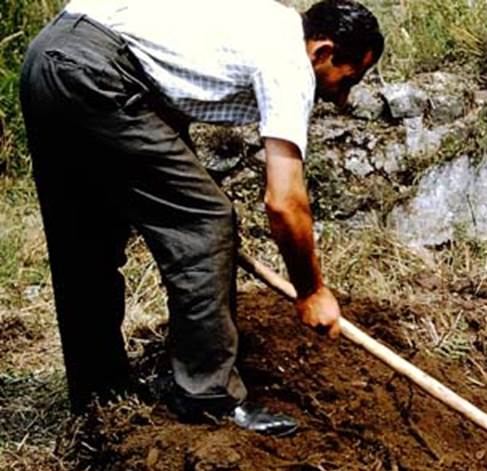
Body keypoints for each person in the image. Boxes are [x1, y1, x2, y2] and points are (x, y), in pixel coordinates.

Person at [19, 0, 384, 435]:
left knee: (85, 240)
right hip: (95, 72)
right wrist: (312, 291)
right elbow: (285, 201)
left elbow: (162, 94)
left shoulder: (263, 22)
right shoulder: (290, 61)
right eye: (350, 79)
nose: (343, 98)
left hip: (50, 57)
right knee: (208, 221)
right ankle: (208, 397)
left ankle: (99, 395)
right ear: (323, 52)